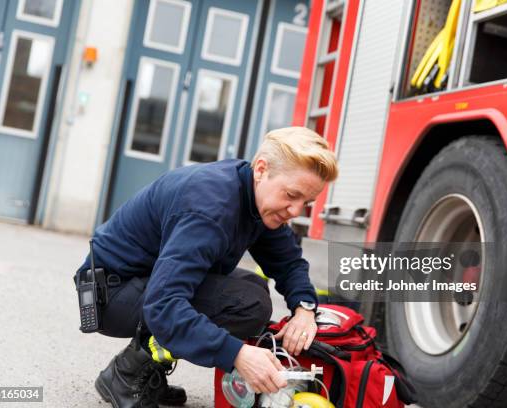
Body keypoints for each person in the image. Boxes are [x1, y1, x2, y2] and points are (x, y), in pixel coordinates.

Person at [75, 127, 338, 407]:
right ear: (261, 169)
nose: (296, 211)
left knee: (252, 289)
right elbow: (163, 305)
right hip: (112, 294)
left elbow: (287, 261)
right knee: (246, 304)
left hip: (145, 280)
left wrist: (304, 308)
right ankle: (128, 371)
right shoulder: (210, 209)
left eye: (306, 203)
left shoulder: (257, 197)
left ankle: (144, 367)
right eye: (292, 195)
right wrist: (236, 354)